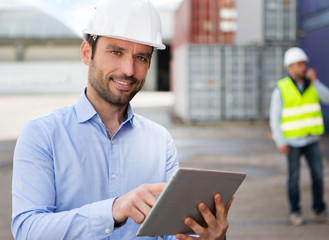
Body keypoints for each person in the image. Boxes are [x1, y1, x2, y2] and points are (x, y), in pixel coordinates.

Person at [11, 0, 233, 239]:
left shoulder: (160, 142)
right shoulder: (42, 135)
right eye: (116, 52)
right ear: (87, 53)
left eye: (141, 58)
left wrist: (210, 237)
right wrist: (113, 210)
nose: (128, 69)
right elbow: (27, 230)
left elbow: (170, 233)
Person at [269, 47, 329, 226]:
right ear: (290, 68)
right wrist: (280, 141)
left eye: (304, 64)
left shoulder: (312, 85)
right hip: (291, 142)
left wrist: (316, 83)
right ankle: (295, 211)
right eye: (299, 65)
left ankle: (320, 210)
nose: (303, 68)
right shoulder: (281, 89)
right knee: (294, 178)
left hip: (311, 140)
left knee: (318, 176)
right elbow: (274, 118)